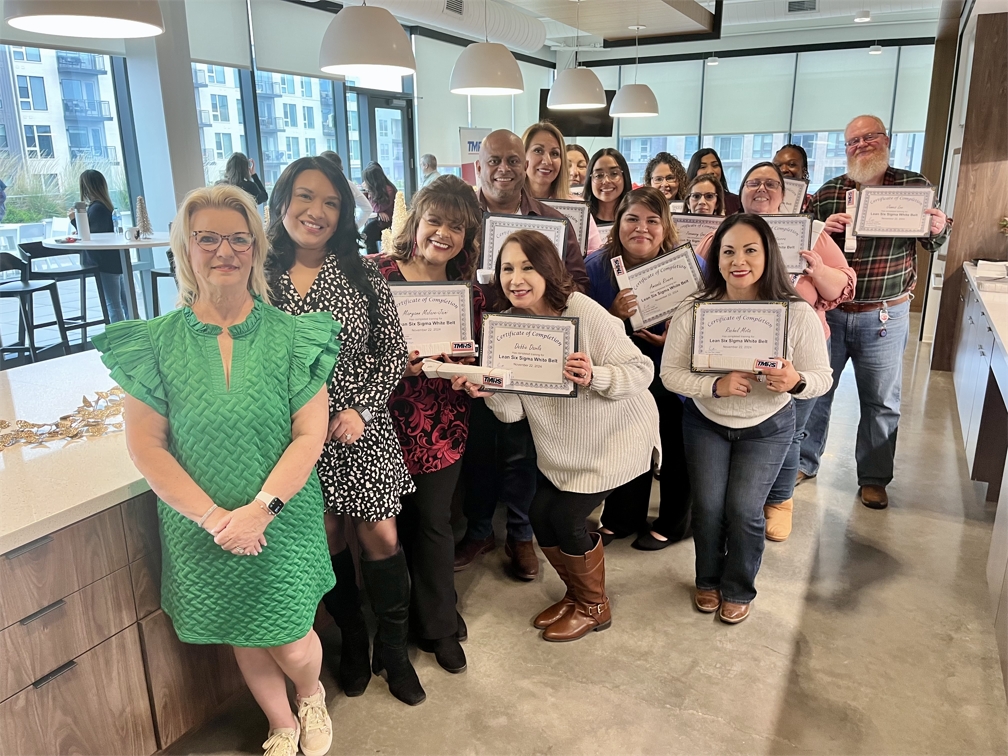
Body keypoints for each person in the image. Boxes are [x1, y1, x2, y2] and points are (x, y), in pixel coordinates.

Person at [93, 184, 338, 756]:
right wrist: (216, 521)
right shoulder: (153, 343)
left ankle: (310, 693)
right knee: (242, 632)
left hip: (282, 518)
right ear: (185, 248)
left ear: (256, 248)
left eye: (238, 239)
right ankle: (281, 722)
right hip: (203, 526)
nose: (224, 251)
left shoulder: (293, 336)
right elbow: (147, 447)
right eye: (207, 239)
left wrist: (260, 512)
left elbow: (310, 434)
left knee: (292, 638)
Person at [267, 157, 425, 707]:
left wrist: (361, 408)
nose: (317, 211)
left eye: (331, 202)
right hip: (292, 438)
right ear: (282, 202)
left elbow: (392, 352)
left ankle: (395, 650)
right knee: (327, 537)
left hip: (359, 427)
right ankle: (354, 640)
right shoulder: (260, 278)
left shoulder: (362, 274)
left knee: (380, 536)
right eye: (305, 197)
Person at [454, 229, 660, 641]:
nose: (516, 279)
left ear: (548, 269)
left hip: (615, 438)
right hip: (562, 446)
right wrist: (491, 391)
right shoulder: (506, 327)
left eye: (527, 267)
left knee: (566, 518)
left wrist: (595, 375)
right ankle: (578, 595)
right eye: (507, 269)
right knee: (539, 513)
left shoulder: (582, 310)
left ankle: (595, 607)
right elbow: (513, 412)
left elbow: (642, 371)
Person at [660, 214, 832, 624]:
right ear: (716, 258)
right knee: (707, 506)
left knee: (743, 509)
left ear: (768, 254)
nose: (739, 261)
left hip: (767, 426)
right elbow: (669, 374)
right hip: (706, 421)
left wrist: (794, 381)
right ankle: (707, 579)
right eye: (728, 251)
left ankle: (738, 587)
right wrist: (714, 386)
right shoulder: (695, 308)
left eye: (750, 250)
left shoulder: (796, 312)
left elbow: (821, 378)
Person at [693, 162, 856, 540]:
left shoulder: (812, 233)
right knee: (742, 426)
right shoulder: (723, 233)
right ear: (740, 192)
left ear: (786, 194)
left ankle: (780, 501)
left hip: (800, 348)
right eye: (753, 182)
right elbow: (697, 283)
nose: (761, 189)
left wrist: (816, 271)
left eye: (770, 183)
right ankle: (742, 499)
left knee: (791, 430)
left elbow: (841, 287)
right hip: (734, 347)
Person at [454, 129, 589, 582]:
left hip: (531, 352)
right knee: (478, 446)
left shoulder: (553, 222)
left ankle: (520, 533)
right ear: (479, 166)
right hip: (472, 353)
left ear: (525, 164)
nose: (504, 169)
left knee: (523, 451)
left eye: (513, 160)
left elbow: (577, 283)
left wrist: (535, 301)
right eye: (494, 161)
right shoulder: (462, 218)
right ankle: (478, 531)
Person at [800, 115, 950, 509]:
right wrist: (822, 227)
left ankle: (874, 477)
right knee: (817, 392)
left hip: (884, 314)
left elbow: (934, 242)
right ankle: (804, 462)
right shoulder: (830, 191)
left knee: (881, 401)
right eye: (853, 141)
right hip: (832, 312)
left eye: (869, 137)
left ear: (886, 140)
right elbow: (804, 246)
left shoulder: (914, 188)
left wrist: (937, 230)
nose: (861, 145)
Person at [376, 175, 485, 674]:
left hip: (443, 422)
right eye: (435, 220)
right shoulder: (375, 276)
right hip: (379, 422)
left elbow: (474, 357)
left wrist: (474, 378)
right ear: (415, 223)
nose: (443, 233)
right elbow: (350, 348)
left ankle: (438, 625)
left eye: (456, 227)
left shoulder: (468, 293)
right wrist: (393, 364)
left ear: (467, 237)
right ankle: (399, 627)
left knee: (434, 524)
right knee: (387, 532)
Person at [584, 187, 694, 550]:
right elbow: (581, 327)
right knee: (627, 444)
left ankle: (674, 524)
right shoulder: (596, 267)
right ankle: (622, 518)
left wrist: (674, 340)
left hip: (672, 370)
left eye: (652, 220)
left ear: (666, 227)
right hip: (622, 372)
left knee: (675, 446)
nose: (641, 228)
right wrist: (613, 315)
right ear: (618, 223)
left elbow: (708, 320)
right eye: (632, 219)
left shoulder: (687, 265)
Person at [522, 121, 602, 253]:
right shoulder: (508, 205)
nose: (547, 161)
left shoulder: (577, 208)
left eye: (555, 153)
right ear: (522, 155)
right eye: (538, 151)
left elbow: (595, 255)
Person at [69, 169, 129, 322]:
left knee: (113, 305)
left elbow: (92, 236)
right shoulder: (106, 206)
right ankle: (134, 332)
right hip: (114, 260)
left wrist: (75, 221)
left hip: (104, 262)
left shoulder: (96, 209)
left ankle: (120, 335)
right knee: (126, 303)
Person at [320, 150, 371, 232]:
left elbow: (367, 208)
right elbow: (367, 208)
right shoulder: (348, 184)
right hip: (342, 232)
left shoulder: (315, 185)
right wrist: (353, 227)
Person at [585, 148, 632, 225]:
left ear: (625, 176)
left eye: (614, 173)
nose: (606, 181)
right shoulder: (581, 219)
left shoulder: (635, 217)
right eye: (599, 175)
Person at [687, 148, 741, 215]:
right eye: (703, 167)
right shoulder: (682, 200)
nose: (710, 171)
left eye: (715, 165)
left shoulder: (735, 201)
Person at [361, 161, 397, 255]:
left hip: (388, 224)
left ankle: (374, 258)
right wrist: (379, 212)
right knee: (365, 236)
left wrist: (369, 192)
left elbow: (377, 208)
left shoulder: (389, 190)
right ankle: (373, 257)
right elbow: (374, 208)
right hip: (380, 222)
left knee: (367, 235)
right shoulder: (378, 189)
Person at [773, 144, 813, 212]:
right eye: (778, 166)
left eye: (791, 164)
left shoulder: (814, 203)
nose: (783, 170)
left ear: (804, 172)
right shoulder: (764, 202)